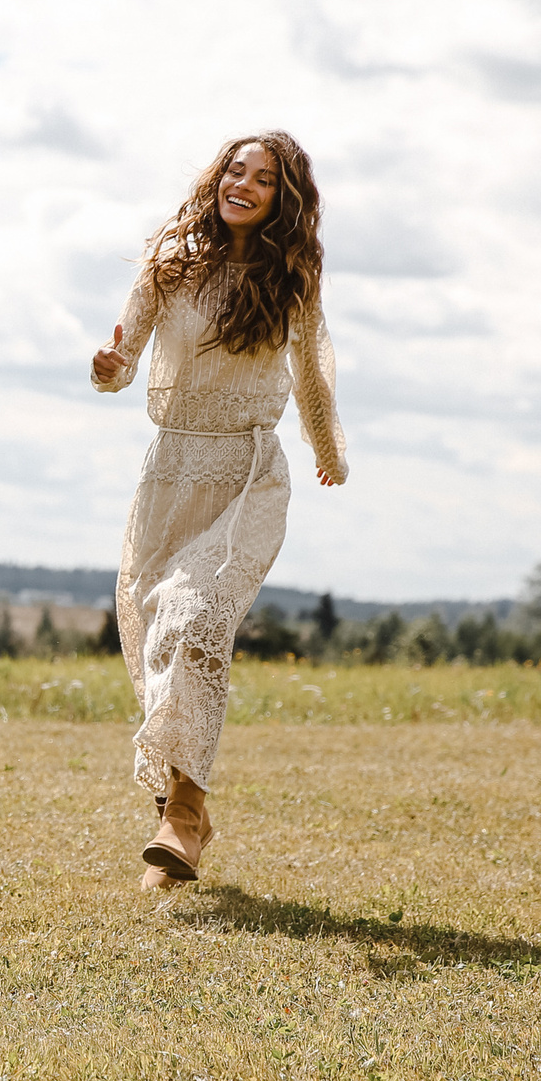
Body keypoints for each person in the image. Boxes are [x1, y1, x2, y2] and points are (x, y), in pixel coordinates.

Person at [88, 133, 349, 889]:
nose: (244, 184)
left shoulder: (290, 278)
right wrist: (105, 368)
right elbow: (122, 359)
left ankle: (186, 814)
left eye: (264, 179)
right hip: (169, 473)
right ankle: (178, 811)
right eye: (235, 170)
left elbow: (312, 374)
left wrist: (328, 451)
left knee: (194, 622)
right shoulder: (170, 265)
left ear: (283, 198)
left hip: (245, 474)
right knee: (154, 645)